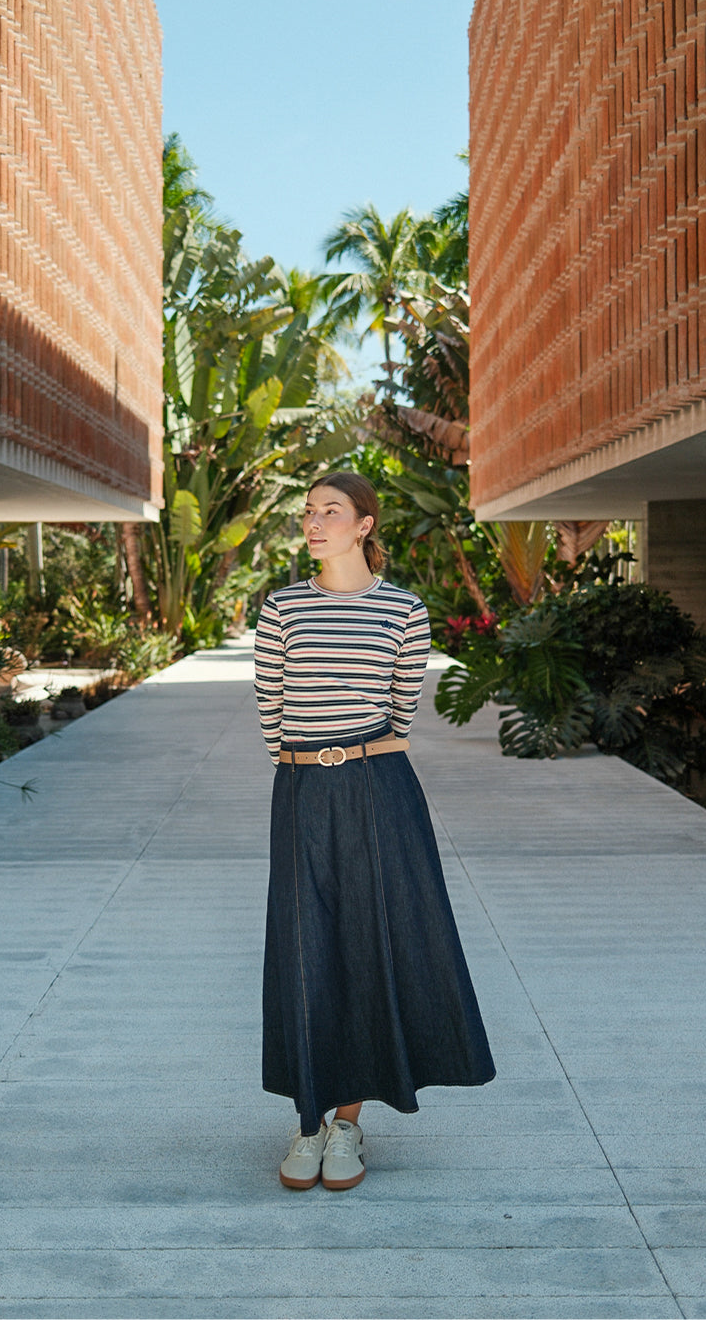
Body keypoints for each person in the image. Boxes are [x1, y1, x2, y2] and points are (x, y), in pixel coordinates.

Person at [254, 470, 495, 1191]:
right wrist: (306, 764)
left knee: (368, 943)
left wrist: (349, 762)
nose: (314, 522)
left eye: (331, 510)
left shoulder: (403, 610)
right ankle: (307, 1121)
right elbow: (272, 711)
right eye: (308, 511)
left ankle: (348, 1123)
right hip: (300, 787)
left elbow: (401, 706)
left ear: (365, 525)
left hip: (378, 787)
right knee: (303, 947)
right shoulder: (282, 610)